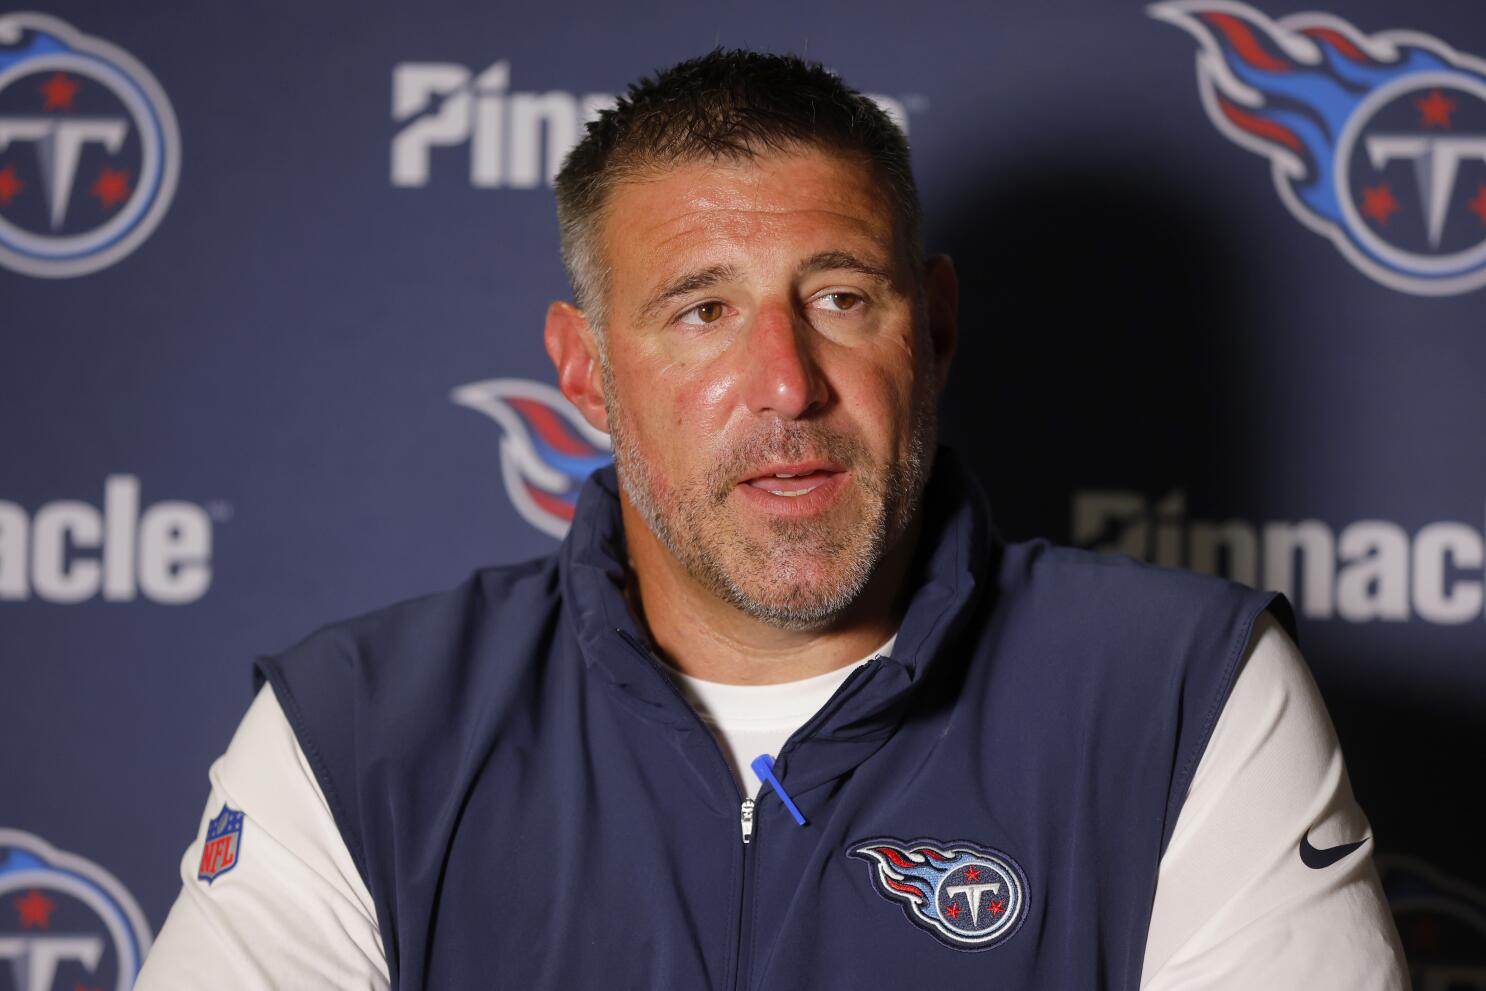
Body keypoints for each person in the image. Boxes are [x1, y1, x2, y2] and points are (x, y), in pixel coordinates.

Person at [136, 49, 1408, 989]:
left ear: (937, 329)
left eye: (842, 297)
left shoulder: (1179, 691)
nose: (787, 383)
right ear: (583, 372)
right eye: (702, 312)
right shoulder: (363, 725)